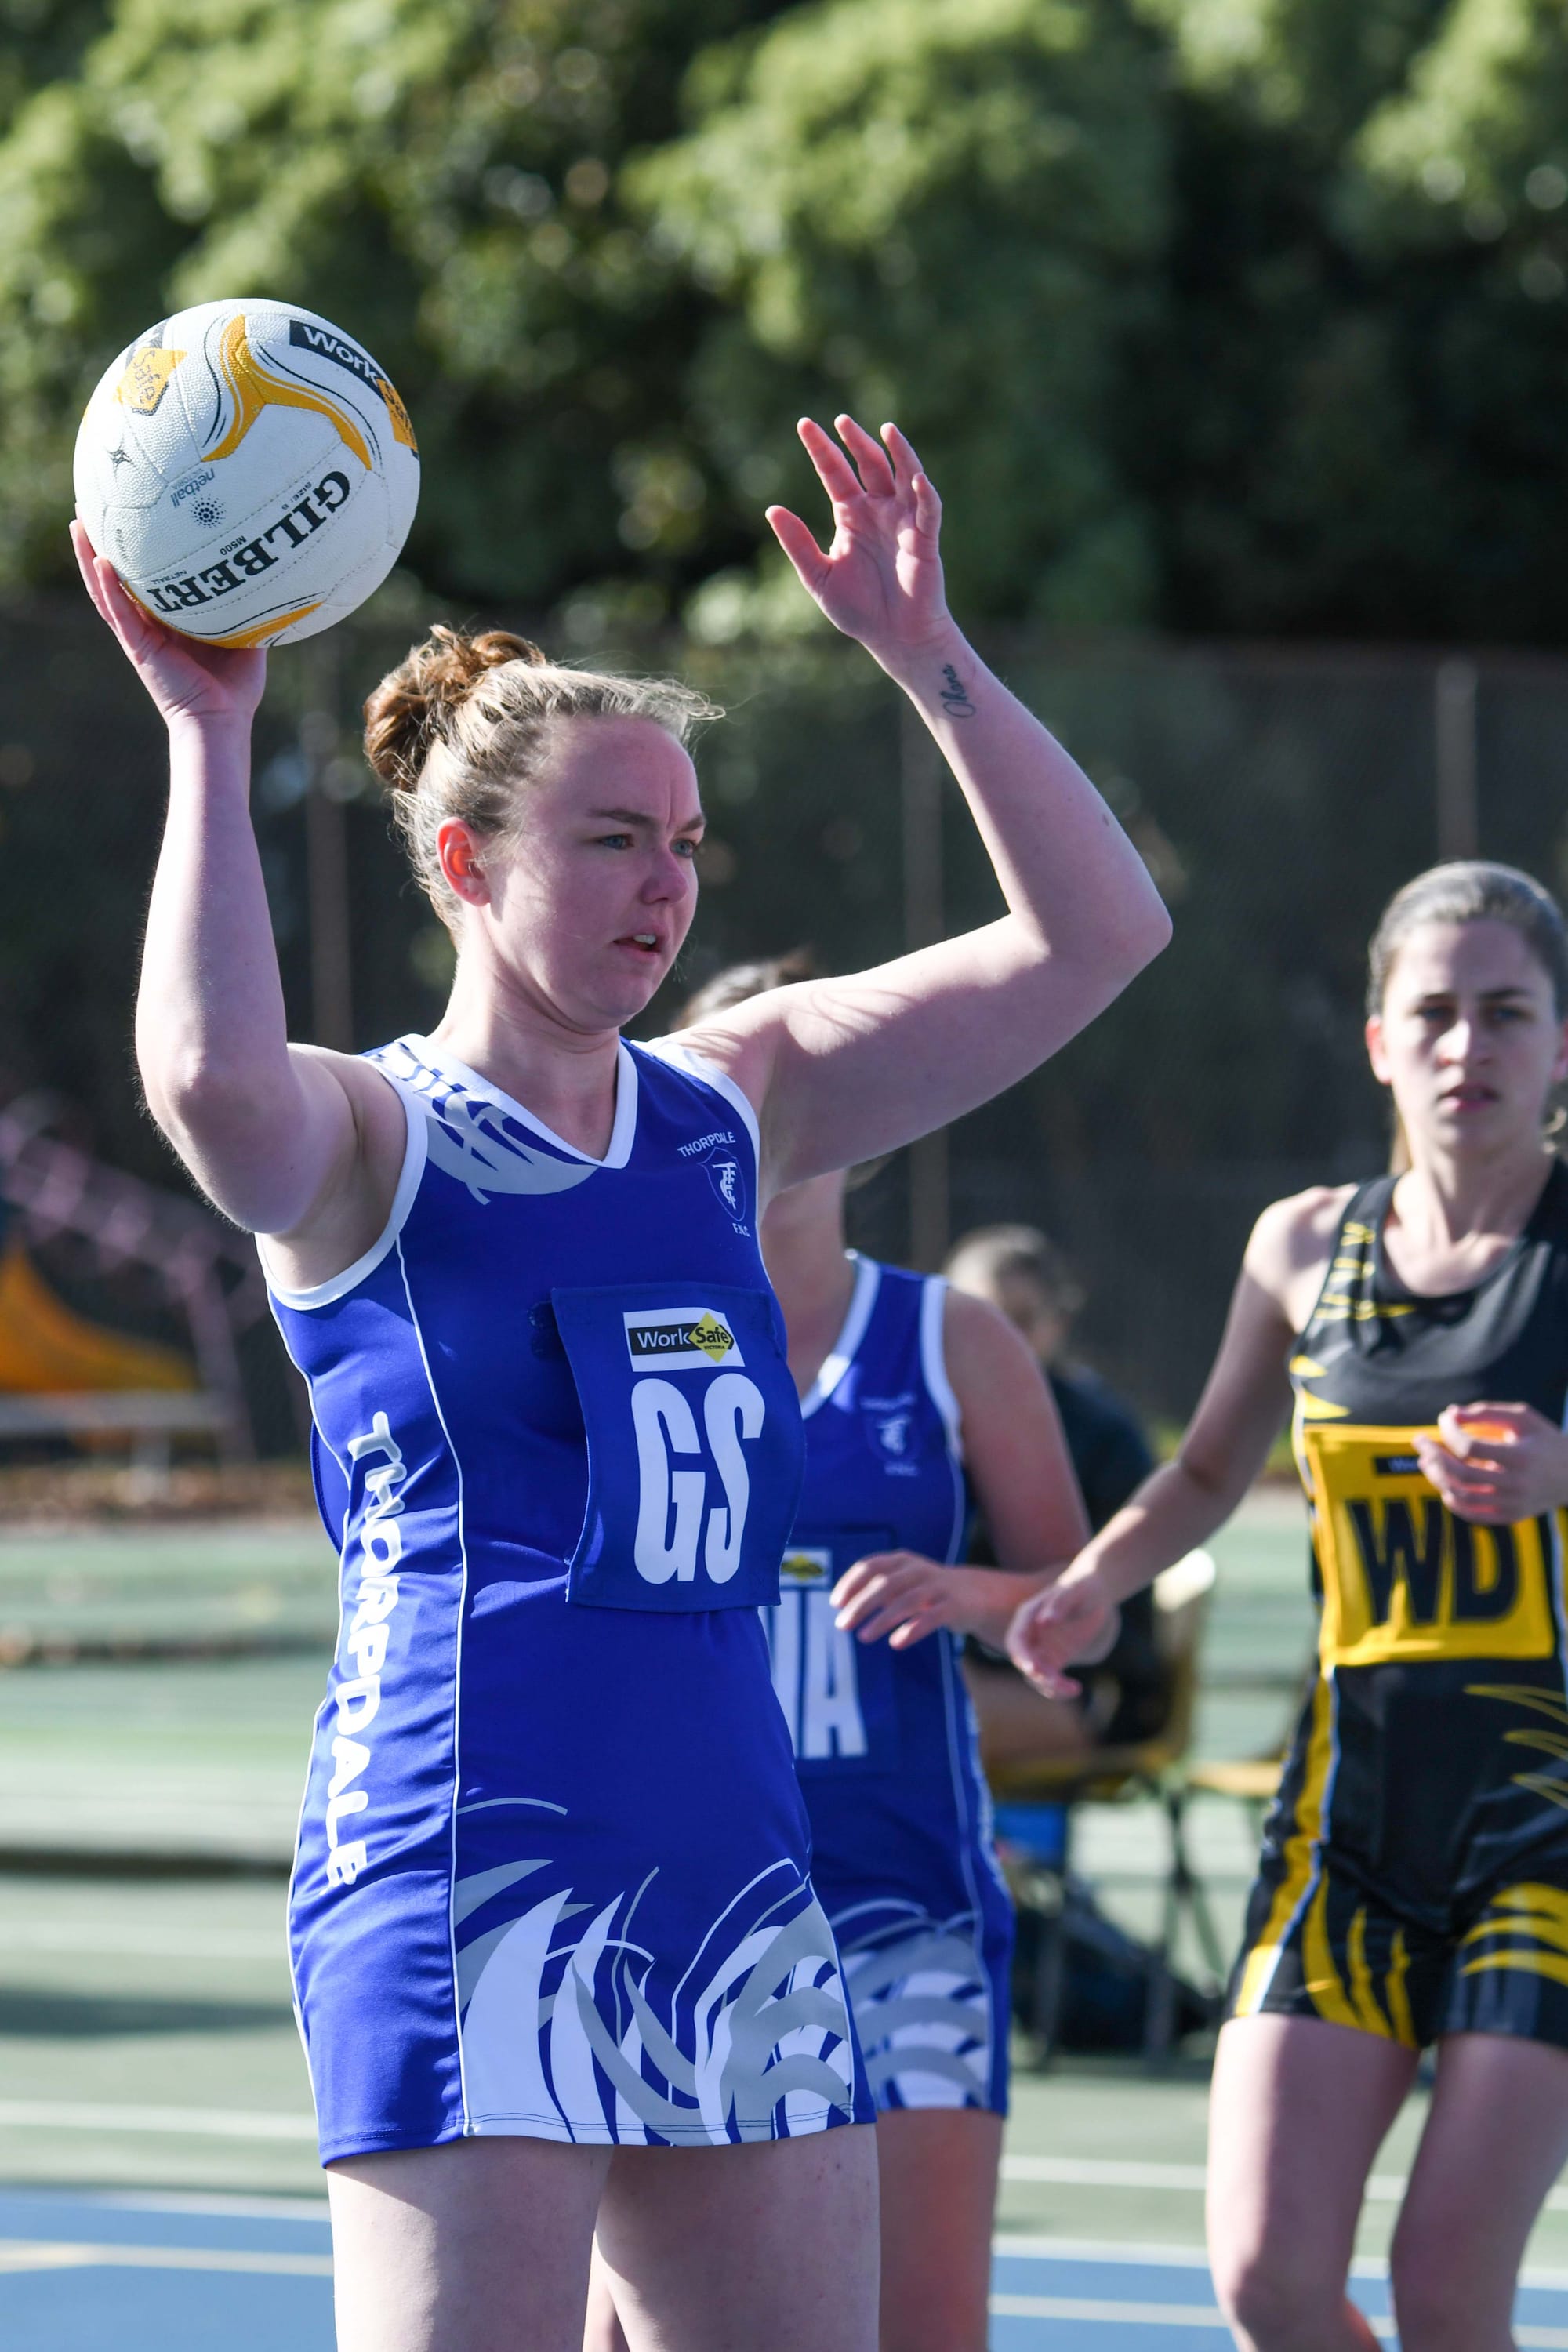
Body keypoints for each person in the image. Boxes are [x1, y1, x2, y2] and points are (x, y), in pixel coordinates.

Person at [71, 412, 1169, 2352]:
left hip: (735, 1871)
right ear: (461, 863)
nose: (662, 885)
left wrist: (929, 655)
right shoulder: (372, 1141)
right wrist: (209, 732)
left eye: (680, 845)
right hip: (463, 1853)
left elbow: (1099, 933)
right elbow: (208, 1093)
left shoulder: (729, 1106)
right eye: (607, 838)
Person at [1010, 862, 1568, 2352]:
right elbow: (1202, 1469)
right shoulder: (1305, 1244)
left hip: (1550, 1824)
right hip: (1354, 1815)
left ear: (1561, 1044)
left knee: (1452, 2295)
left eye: (1507, 1013)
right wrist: (1087, 1583)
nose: (1470, 1047)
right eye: (1434, 1013)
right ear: (1379, 1038)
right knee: (1268, 2284)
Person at [597, 956, 1091, 2352]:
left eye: (811, 1097)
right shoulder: (631, 1325)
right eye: (746, 1098)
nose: (777, 1131)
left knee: (920, 2330)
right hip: (678, 1906)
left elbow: (1082, 1603)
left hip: (902, 1905)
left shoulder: (952, 1340)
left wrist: (975, 1596)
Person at [943, 1223, 1167, 1766]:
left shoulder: (1103, 1436)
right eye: (981, 1322)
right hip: (959, 1665)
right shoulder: (919, 1419)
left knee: (907, 1708)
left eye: (1020, 1321)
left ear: (1058, 1323)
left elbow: (1105, 1620)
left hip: (1075, 1689)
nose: (1001, 1340)